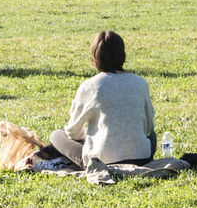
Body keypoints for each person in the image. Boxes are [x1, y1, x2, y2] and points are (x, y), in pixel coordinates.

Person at [49, 30, 156, 168]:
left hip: (102, 162)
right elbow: (148, 128)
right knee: (152, 136)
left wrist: (92, 136)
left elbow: (72, 132)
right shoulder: (141, 83)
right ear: (122, 55)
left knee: (56, 135)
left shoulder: (90, 86)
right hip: (141, 158)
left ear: (95, 57)